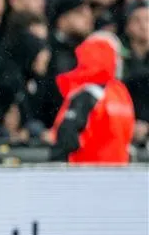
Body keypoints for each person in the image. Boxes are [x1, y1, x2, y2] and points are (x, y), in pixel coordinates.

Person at [50, 32, 135, 163]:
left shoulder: (91, 93)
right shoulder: (118, 93)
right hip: (107, 175)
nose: (120, 62)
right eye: (118, 56)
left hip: (95, 175)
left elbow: (65, 138)